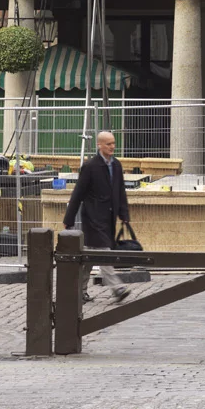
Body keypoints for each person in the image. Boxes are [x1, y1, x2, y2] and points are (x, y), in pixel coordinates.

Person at [63, 130, 131, 304]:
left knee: (89, 258)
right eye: (108, 144)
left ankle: (79, 291)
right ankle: (117, 288)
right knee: (103, 253)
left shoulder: (116, 165)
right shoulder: (90, 166)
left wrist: (124, 214)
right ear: (99, 145)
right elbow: (78, 193)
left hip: (109, 218)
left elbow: (120, 191)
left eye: (114, 143)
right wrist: (68, 219)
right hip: (93, 218)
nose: (112, 147)